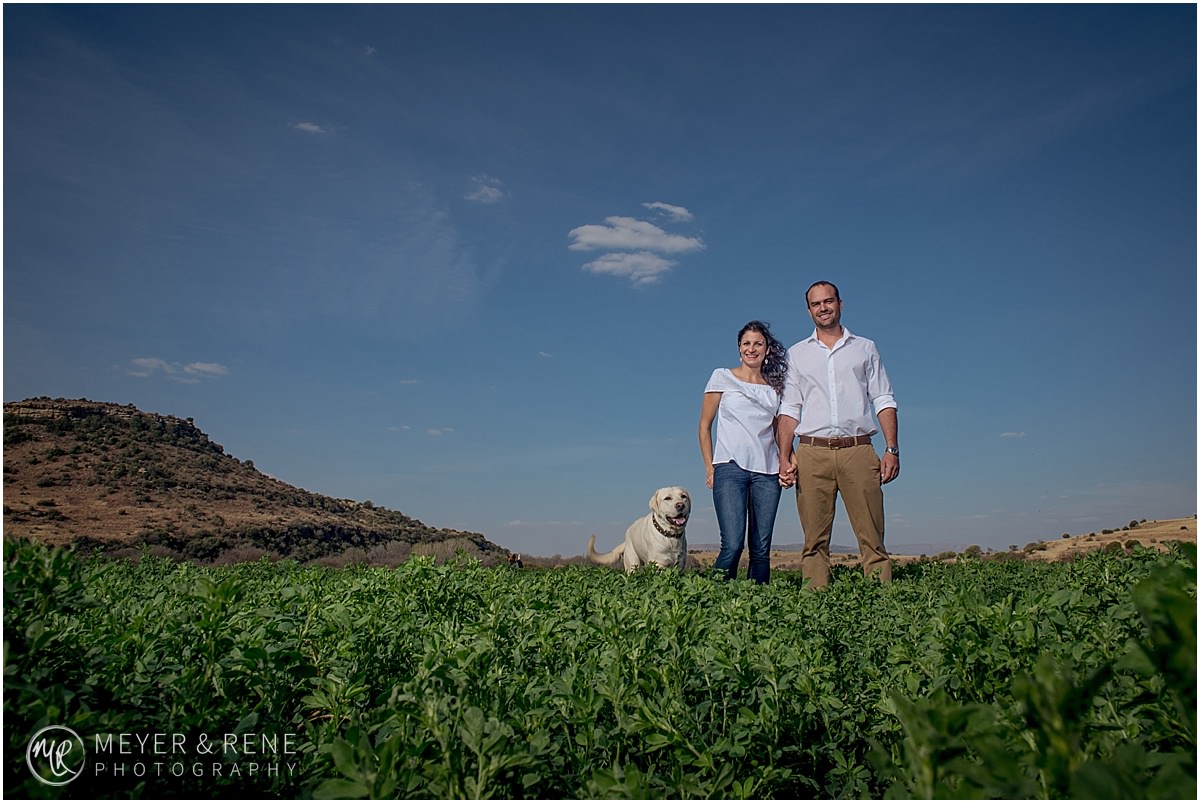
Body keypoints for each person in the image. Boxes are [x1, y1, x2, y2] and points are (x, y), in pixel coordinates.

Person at [777, 281, 899, 589]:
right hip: (811, 453)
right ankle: (815, 608)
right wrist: (783, 457)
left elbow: (883, 398)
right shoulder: (796, 354)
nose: (823, 308)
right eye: (816, 304)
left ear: (840, 304)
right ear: (809, 310)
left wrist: (892, 449)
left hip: (858, 451)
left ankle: (882, 607)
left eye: (828, 301)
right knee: (814, 541)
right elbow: (790, 408)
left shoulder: (865, 348)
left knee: (872, 536)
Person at [698, 320, 788, 583]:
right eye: (746, 343)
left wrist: (787, 462)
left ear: (767, 349)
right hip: (729, 468)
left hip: (768, 473)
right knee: (733, 544)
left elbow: (779, 432)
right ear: (739, 348)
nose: (752, 349)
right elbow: (704, 426)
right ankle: (714, 600)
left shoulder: (776, 389)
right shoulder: (721, 376)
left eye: (758, 343)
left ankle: (757, 608)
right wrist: (709, 467)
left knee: (761, 550)